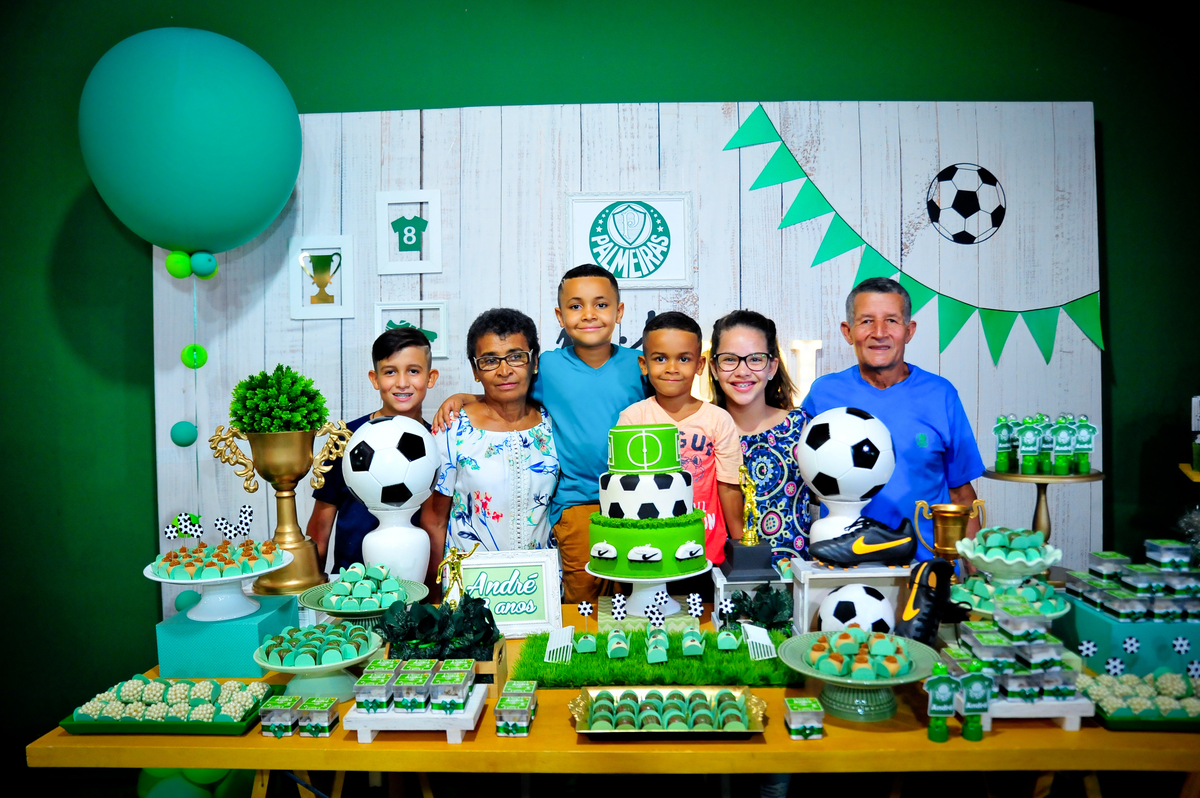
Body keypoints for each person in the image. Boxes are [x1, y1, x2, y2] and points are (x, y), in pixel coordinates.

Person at [432, 264, 648, 603]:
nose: (589, 314)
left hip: (638, 498)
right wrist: (466, 398)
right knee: (584, 602)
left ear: (619, 311)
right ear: (560, 317)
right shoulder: (548, 366)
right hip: (576, 504)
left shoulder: (641, 364)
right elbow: (505, 386)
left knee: (638, 592)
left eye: (601, 304)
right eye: (576, 306)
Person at [801, 277, 985, 561]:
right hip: (845, 567)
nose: (879, 332)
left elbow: (961, 495)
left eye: (891, 321)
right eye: (866, 321)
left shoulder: (940, 395)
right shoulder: (824, 394)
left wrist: (977, 573)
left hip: (926, 568)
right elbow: (805, 482)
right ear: (848, 331)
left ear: (909, 331)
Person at [422, 309, 559, 576]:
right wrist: (435, 591)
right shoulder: (452, 429)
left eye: (516, 357)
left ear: (534, 362)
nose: (504, 371)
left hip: (541, 583)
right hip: (471, 584)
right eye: (490, 361)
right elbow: (434, 521)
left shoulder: (552, 423)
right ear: (475, 370)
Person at [306, 326, 439, 575]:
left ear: (430, 378)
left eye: (413, 371)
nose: (402, 383)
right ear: (375, 378)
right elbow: (320, 527)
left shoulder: (439, 443)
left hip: (415, 585)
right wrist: (311, 585)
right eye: (390, 372)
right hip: (351, 584)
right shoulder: (344, 439)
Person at [617, 311, 744, 564]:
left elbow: (728, 486)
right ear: (644, 364)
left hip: (706, 549)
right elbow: (624, 487)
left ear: (700, 365)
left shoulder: (718, 420)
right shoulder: (633, 418)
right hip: (648, 549)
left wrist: (740, 544)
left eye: (684, 359)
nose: (672, 368)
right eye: (660, 358)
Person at [709, 309, 813, 562]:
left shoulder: (800, 428)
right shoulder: (700, 433)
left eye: (755, 359)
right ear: (713, 368)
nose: (742, 371)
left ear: (772, 367)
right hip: (720, 576)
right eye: (729, 359)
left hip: (792, 575)